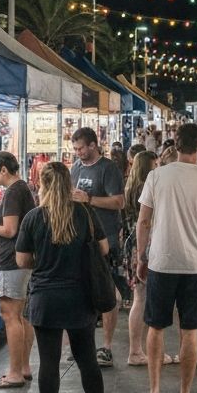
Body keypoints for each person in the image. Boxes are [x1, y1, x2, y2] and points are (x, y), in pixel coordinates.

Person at [15, 162, 114, 393]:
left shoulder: (33, 218)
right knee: (87, 359)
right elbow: (104, 248)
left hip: (45, 298)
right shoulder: (84, 213)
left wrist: (45, 260)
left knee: (48, 361)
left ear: (43, 185)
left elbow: (22, 259)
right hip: (80, 296)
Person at [136, 123, 197, 393]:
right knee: (190, 331)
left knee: (156, 326)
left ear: (175, 145)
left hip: (161, 262)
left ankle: (154, 392)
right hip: (195, 265)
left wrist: (141, 257)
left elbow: (143, 222)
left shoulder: (156, 176)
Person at [0, 151, 36, 389]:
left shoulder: (13, 192)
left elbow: (10, 230)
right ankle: (23, 367)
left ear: (3, 170)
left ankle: (14, 373)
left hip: (12, 262)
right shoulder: (22, 189)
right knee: (20, 316)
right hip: (19, 261)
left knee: (10, 315)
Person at [70, 126, 125, 367]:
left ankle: (107, 346)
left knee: (107, 293)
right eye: (75, 149)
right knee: (83, 294)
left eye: (81, 148)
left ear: (93, 145)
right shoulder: (76, 168)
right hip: (80, 239)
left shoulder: (108, 168)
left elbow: (119, 201)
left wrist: (89, 199)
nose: (78, 152)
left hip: (105, 240)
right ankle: (84, 344)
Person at [123, 150, 160, 365]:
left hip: (131, 244)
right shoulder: (147, 188)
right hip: (142, 246)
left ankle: (139, 349)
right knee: (142, 299)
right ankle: (136, 351)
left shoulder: (130, 186)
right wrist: (143, 253)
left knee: (141, 298)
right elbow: (146, 222)